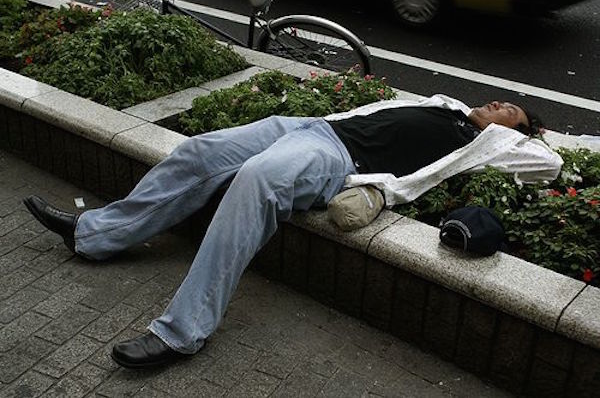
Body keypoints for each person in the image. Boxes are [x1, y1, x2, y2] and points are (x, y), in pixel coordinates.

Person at [23, 94, 562, 369]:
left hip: (333, 156)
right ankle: (94, 236)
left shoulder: (488, 150)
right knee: (198, 150)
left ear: (515, 134)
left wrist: (522, 134)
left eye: (509, 112)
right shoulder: (446, 108)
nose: (497, 105)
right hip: (310, 126)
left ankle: (181, 333)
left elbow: (550, 163)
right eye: (498, 100)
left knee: (256, 182)